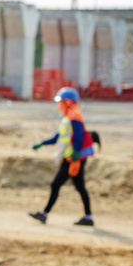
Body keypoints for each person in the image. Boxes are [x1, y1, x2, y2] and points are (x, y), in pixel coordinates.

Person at [28, 87, 95, 227]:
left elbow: (78, 136)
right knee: (79, 187)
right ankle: (88, 218)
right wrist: (42, 143)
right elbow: (58, 137)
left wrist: (75, 152)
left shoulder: (74, 115)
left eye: (62, 102)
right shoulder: (69, 116)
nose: (59, 105)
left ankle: (44, 214)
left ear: (68, 101)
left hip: (73, 158)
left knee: (56, 184)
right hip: (71, 157)